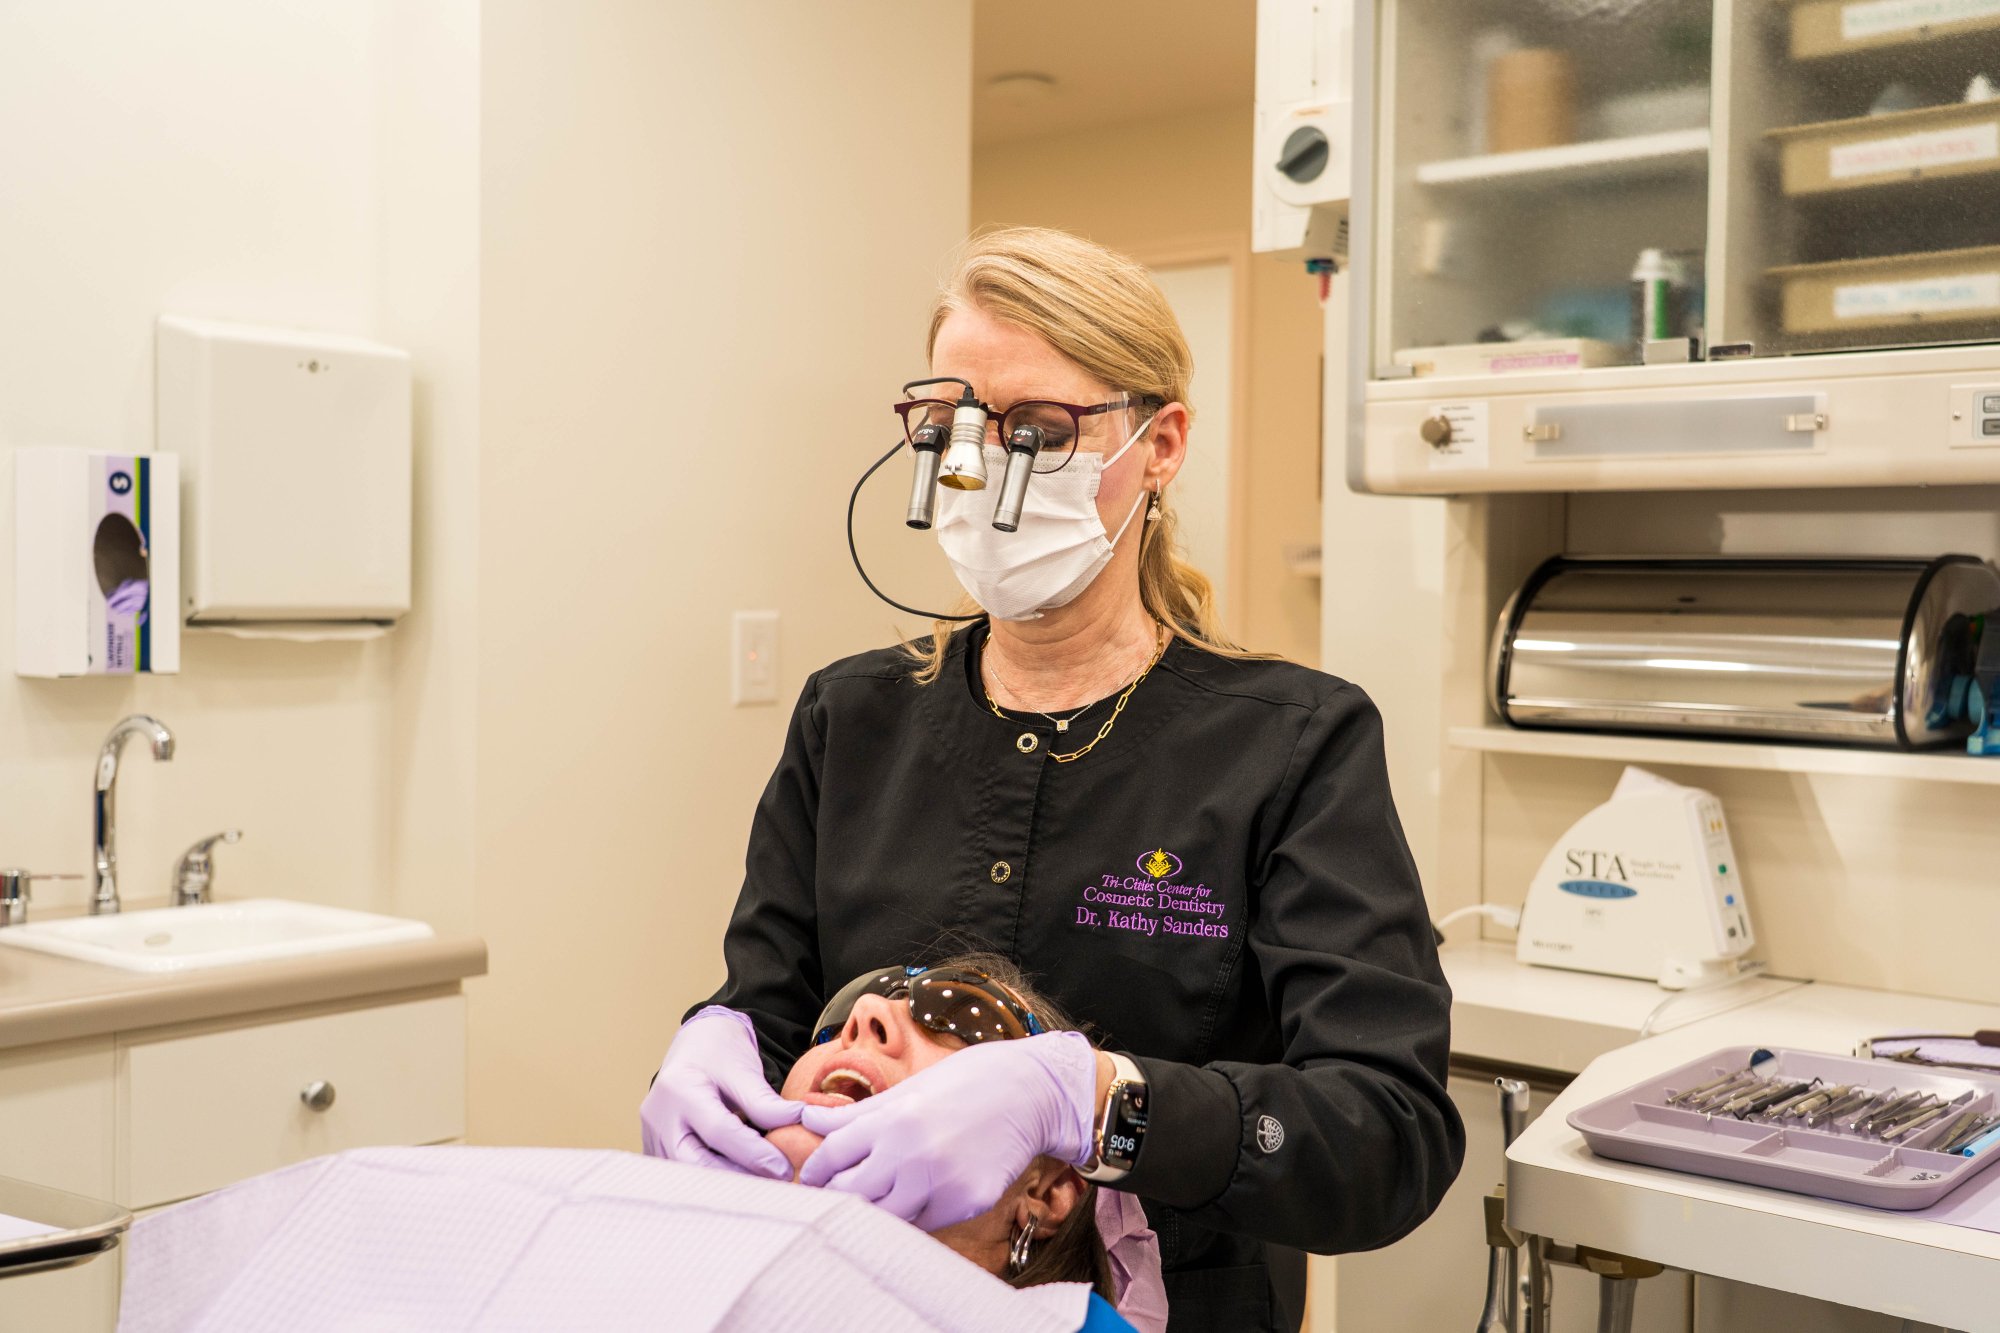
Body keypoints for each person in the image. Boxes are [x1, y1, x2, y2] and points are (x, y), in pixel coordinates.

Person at [641, 225, 1464, 1332]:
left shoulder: (1292, 745)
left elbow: (1385, 1135)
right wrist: (716, 1043)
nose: (984, 464)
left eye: (1037, 428)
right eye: (949, 426)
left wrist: (1097, 1100)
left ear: (1160, 443)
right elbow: (770, 1008)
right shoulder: (852, 719)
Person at [120, 960, 1149, 1333]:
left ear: (1048, 1189)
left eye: (958, 1018)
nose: (868, 1017)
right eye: (844, 1015)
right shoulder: (630, 1236)